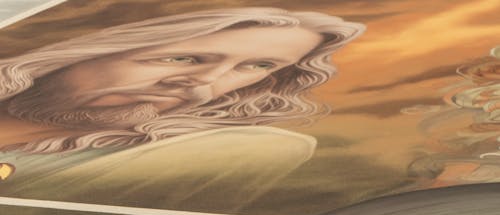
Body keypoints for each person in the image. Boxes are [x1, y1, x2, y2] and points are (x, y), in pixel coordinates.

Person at [0, 7, 364, 154]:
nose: (202, 85)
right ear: (79, 51)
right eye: (183, 58)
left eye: (257, 66)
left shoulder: (239, 152)